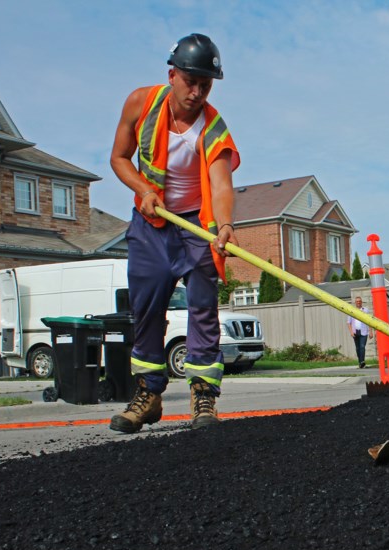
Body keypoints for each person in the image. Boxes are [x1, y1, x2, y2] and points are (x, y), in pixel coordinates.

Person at [108, 33, 241, 433]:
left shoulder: (213, 126)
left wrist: (226, 225)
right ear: (172, 74)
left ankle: (203, 396)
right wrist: (143, 190)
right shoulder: (141, 103)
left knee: (203, 308)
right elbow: (118, 158)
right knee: (146, 310)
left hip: (197, 227)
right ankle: (148, 395)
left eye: (206, 84)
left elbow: (220, 185)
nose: (197, 91)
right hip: (150, 227)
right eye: (190, 81)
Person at [347, 296, 373, 368]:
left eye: (359, 301)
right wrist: (351, 332)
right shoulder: (351, 310)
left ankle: (362, 361)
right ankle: (360, 362)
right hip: (355, 332)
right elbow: (348, 323)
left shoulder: (366, 310)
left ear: (361, 302)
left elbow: (369, 321)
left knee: (362, 346)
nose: (358, 302)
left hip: (364, 332)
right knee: (358, 348)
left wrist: (370, 332)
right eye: (357, 301)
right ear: (355, 303)